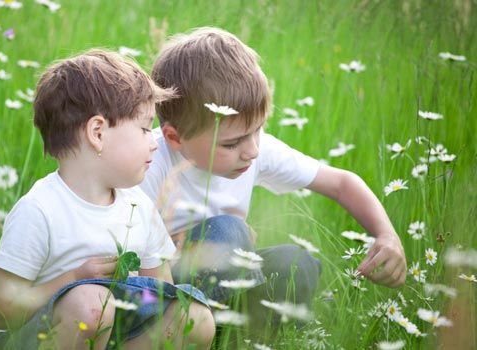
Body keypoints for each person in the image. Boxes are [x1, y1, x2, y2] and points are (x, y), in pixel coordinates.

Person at [140, 27, 407, 322]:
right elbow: (128, 258)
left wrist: (387, 235)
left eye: (258, 130)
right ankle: (190, 330)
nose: (252, 151)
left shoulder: (254, 148)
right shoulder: (148, 163)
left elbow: (342, 183)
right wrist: (212, 242)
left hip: (229, 292)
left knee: (296, 263)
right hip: (161, 295)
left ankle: (239, 333)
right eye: (232, 143)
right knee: (228, 230)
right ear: (175, 138)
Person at [0, 49, 215, 350]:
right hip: (38, 335)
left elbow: (161, 291)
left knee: (193, 316)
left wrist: (140, 295)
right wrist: (73, 278)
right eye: (145, 128)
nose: (154, 143)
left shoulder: (139, 206)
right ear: (97, 133)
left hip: (117, 330)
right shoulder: (41, 209)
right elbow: (0, 309)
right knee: (92, 304)